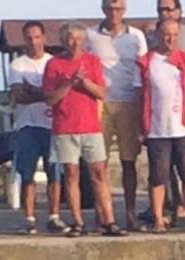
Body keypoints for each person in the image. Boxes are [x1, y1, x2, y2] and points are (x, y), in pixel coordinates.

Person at [43, 23, 124, 238]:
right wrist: (69, 83)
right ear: (63, 41)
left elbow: (101, 92)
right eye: (70, 38)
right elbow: (50, 99)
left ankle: (109, 220)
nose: (75, 42)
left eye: (78, 38)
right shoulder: (54, 64)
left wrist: (84, 81)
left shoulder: (92, 61)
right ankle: (78, 222)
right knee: (71, 175)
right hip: (65, 128)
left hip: (90, 126)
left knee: (99, 173)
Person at [137, 18, 185, 233]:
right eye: (167, 34)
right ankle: (159, 219)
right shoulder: (146, 62)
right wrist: (140, 128)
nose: (171, 39)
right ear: (158, 35)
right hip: (157, 129)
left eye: (175, 35)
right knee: (158, 177)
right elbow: (139, 96)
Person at [86, 0, 148, 232]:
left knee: (128, 161)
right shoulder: (91, 35)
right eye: (111, 8)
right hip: (99, 103)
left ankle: (130, 214)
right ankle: (101, 215)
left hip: (128, 102)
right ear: (103, 9)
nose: (115, 13)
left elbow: (143, 70)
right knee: (97, 162)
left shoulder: (136, 36)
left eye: (119, 8)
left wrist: (142, 107)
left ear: (125, 10)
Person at [8, 21, 68, 236]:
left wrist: (35, 90)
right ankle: (30, 218)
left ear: (44, 38)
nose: (33, 42)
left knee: (55, 173)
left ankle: (54, 215)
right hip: (28, 125)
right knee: (27, 172)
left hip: (52, 124)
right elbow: (19, 95)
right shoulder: (18, 65)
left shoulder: (54, 62)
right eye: (29, 38)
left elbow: (60, 95)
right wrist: (46, 94)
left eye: (36, 37)